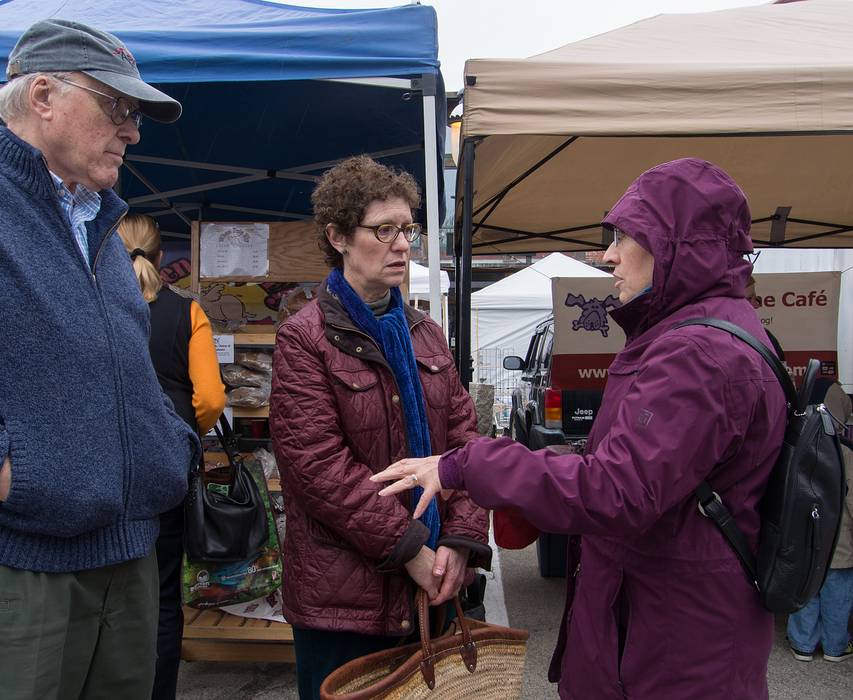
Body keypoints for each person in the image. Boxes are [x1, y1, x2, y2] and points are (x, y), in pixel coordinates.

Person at [374, 158, 787, 699]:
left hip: (668, 650)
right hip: (669, 627)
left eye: (627, 236)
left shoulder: (699, 353)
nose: (608, 255)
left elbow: (616, 490)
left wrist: (470, 464)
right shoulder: (704, 333)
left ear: (677, 246)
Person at [0, 20, 199, 698]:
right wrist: (2, 471)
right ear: (42, 94)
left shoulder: (103, 227)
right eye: (118, 106)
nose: (132, 130)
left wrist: (168, 448)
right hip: (6, 570)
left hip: (128, 559)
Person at [269, 155, 491, 700]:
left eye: (408, 229)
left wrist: (461, 543)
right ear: (339, 236)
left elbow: (467, 445)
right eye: (384, 230)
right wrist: (413, 549)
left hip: (437, 586)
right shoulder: (304, 339)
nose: (402, 245)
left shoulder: (427, 335)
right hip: (345, 603)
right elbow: (317, 470)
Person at [117, 214, 226, 698]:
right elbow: (211, 400)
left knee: (104, 584)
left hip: (106, 469)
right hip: (166, 471)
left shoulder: (94, 308)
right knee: (163, 595)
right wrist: (184, 432)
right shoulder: (187, 313)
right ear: (162, 258)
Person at [787, 379, 853, 663]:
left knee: (805, 592)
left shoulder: (793, 447)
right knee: (837, 595)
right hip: (840, 544)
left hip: (803, 541)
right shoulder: (846, 454)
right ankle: (835, 647)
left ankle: (802, 644)